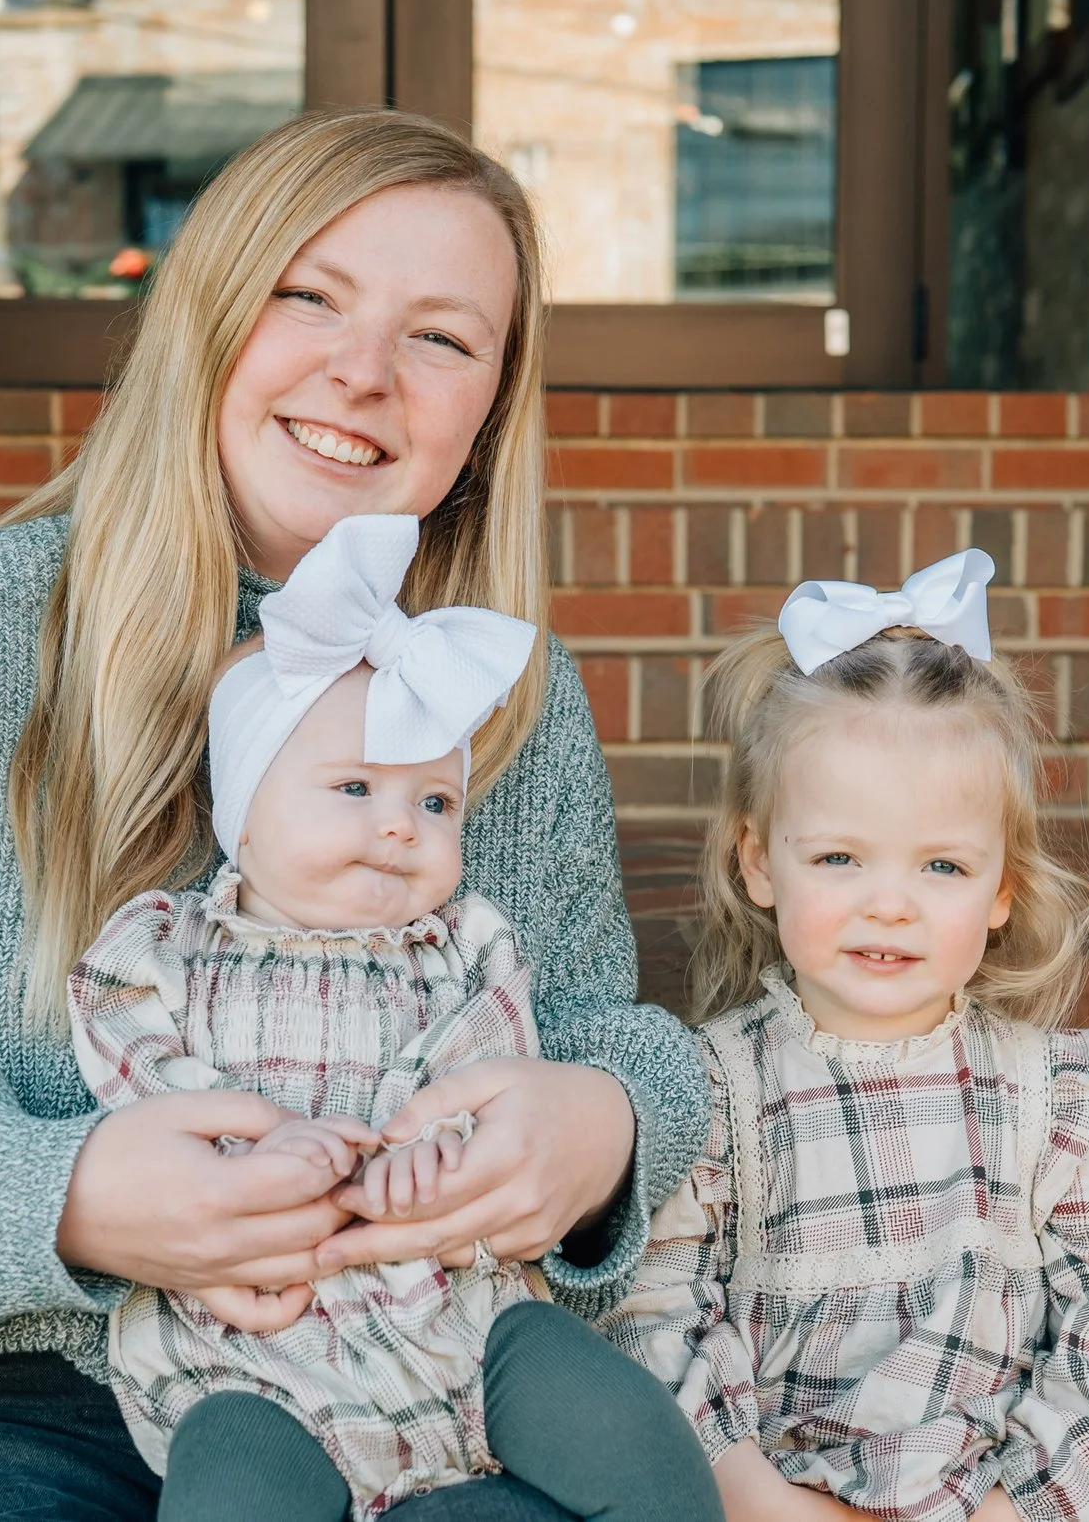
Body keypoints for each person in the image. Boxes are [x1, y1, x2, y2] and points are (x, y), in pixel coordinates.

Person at [0, 109, 711, 1522]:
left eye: (442, 337)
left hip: (417, 1372)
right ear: (207, 315)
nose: (364, 371)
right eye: (310, 294)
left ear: (487, 414)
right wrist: (67, 1188)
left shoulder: (492, 685)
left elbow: (583, 1016)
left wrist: (604, 1120)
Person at [72, 513, 716, 1522]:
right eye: (355, 787)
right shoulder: (168, 947)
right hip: (255, 1350)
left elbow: (489, 1064)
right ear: (244, 812)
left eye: (433, 804)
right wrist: (241, 1137)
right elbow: (124, 1044)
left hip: (460, 1312)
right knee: (228, 1495)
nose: (395, 823)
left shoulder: (467, 944)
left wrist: (440, 1144)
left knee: (642, 1449)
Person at [604, 551, 1089, 1522]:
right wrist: (759, 1502)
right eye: (838, 855)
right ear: (758, 860)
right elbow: (655, 1315)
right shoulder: (709, 1088)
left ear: (1001, 886)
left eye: (941, 865)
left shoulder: (1070, 1102)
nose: (889, 904)